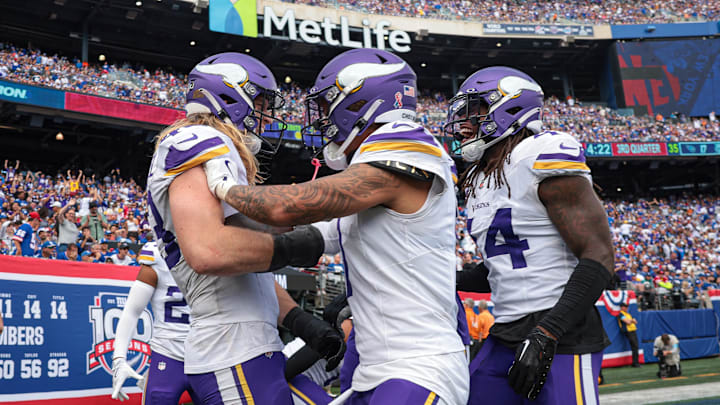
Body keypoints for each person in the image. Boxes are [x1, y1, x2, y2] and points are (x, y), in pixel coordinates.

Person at [203, 48, 469, 404]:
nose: (323, 118)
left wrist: (224, 188)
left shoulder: (408, 143)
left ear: (360, 102)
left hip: (419, 368)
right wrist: (216, 239)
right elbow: (297, 242)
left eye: (328, 105)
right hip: (376, 371)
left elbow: (291, 207)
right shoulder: (369, 183)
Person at [146, 52, 344, 404]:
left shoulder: (214, 148)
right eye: (261, 103)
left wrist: (300, 321)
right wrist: (313, 242)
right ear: (229, 96)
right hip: (231, 345)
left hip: (248, 342)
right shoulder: (198, 140)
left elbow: (248, 268)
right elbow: (210, 251)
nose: (266, 116)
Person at [447, 66, 613, 404]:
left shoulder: (541, 153)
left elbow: (599, 255)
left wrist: (548, 332)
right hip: (507, 329)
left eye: (473, 111)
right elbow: (505, 265)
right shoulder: (480, 180)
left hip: (563, 330)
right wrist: (443, 276)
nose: (463, 123)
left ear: (506, 108)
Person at [111, 241, 201, 404]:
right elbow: (132, 311)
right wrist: (119, 359)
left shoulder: (217, 250)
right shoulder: (157, 255)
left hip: (210, 353)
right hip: (168, 354)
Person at [617, 303, 639, 368]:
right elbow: (627, 322)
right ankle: (635, 363)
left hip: (633, 330)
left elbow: (635, 322)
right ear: (622, 307)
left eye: (627, 307)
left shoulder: (628, 314)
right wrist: (632, 320)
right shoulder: (620, 314)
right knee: (634, 346)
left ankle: (635, 362)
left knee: (635, 346)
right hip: (628, 331)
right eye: (625, 307)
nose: (626, 308)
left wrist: (631, 320)